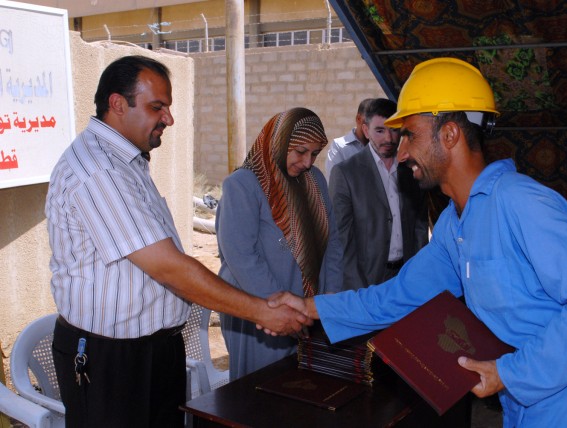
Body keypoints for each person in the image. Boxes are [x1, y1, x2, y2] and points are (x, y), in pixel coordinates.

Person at [267, 57, 567, 427]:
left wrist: (513, 372)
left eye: (410, 134)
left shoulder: (520, 202)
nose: (401, 150)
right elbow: (397, 297)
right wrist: (310, 308)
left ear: (450, 134)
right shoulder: (454, 224)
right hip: (522, 406)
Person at [44, 55, 310, 428]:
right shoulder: (98, 170)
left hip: (158, 350)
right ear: (118, 104)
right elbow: (169, 266)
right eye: (157, 107)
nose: (168, 119)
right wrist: (262, 311)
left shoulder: (128, 162)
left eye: (167, 107)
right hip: (112, 361)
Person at [215, 107, 344, 380]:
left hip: (309, 309)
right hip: (258, 311)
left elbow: (332, 244)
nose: (308, 162)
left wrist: (327, 302)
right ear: (278, 142)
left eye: (314, 154)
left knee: (302, 390)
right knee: (259, 389)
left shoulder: (315, 182)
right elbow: (242, 258)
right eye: (300, 151)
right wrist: (284, 311)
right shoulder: (243, 185)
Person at [329, 98, 428, 290]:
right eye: (380, 131)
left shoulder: (413, 171)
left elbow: (420, 228)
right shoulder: (345, 173)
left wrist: (417, 275)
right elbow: (342, 240)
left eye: (394, 130)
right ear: (366, 130)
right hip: (365, 282)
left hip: (406, 277)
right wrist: (358, 290)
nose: (389, 139)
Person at [324, 98, 372, 182]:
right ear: (358, 119)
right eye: (368, 121)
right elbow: (336, 183)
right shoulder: (339, 146)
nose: (371, 126)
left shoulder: (381, 147)